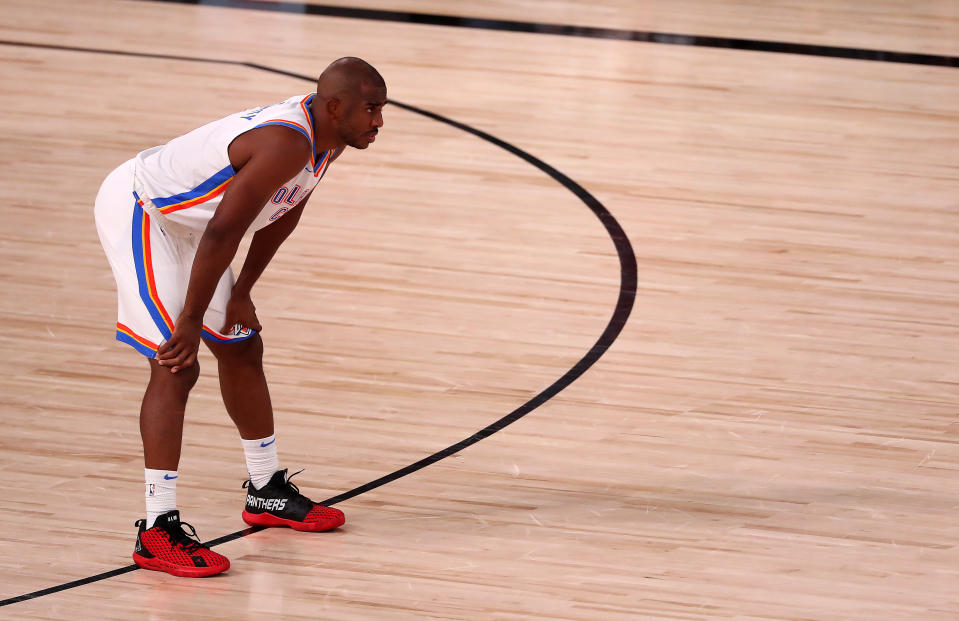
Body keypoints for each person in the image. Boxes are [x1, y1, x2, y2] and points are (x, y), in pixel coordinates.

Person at [94, 57, 387, 578]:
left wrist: (243, 292)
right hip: (145, 209)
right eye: (371, 109)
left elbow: (284, 209)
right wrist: (188, 321)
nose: (379, 122)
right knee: (176, 364)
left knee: (241, 345)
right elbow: (223, 234)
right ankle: (157, 530)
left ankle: (265, 489)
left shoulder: (330, 138)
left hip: (196, 229)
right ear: (336, 106)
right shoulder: (286, 142)